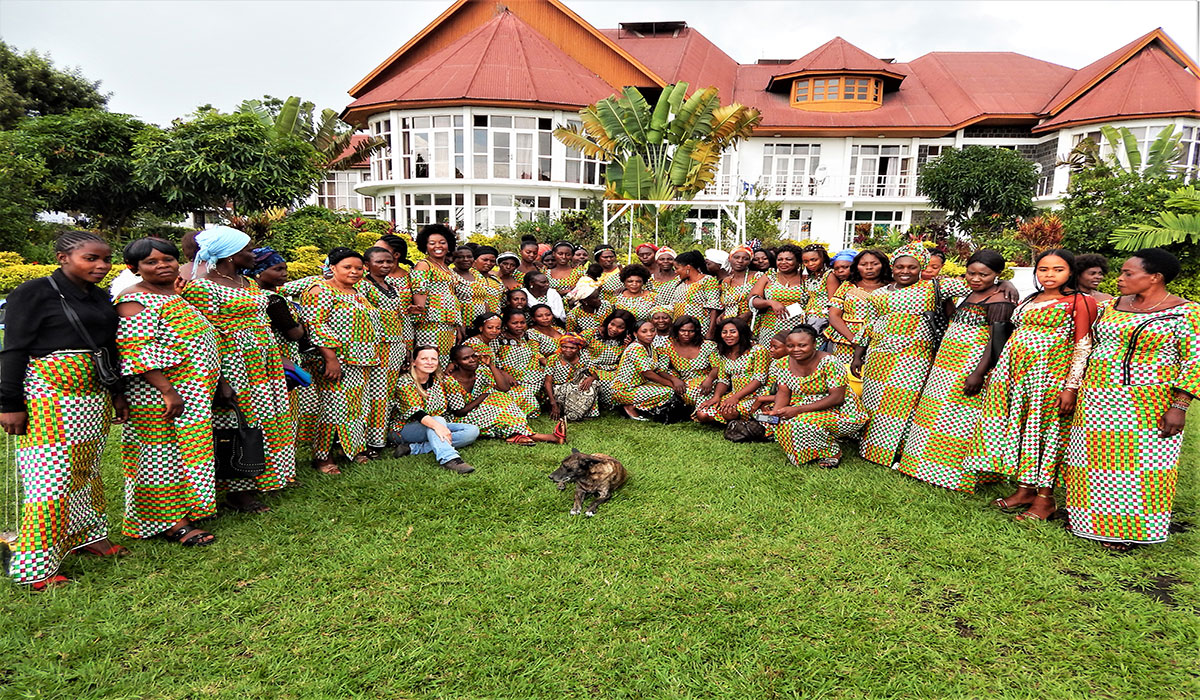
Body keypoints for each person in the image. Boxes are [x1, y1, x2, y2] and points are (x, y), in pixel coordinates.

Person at [2, 232, 129, 590]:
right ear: (62, 257)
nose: (101, 266)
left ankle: (87, 536)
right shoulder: (33, 293)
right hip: (48, 398)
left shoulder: (99, 295)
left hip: (92, 396)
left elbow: (108, 347)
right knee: (51, 480)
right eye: (91, 258)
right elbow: (13, 350)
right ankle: (34, 566)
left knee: (86, 471)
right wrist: (8, 403)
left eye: (105, 259)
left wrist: (116, 393)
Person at [1064, 249, 1197, 550]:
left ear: (1155, 278)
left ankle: (1131, 531)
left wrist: (1179, 407)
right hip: (1096, 397)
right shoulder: (1111, 305)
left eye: (1128, 273)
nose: (1120, 278)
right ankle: (1088, 520)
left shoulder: (1185, 312)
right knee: (1092, 461)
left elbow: (1194, 362)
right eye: (1121, 272)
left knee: (1140, 467)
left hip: (1146, 403)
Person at [968, 248, 1098, 522]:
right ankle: (1025, 489)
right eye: (1043, 269)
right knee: (1022, 431)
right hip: (1016, 377)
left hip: (1049, 379)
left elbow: (1083, 345)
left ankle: (1045, 498)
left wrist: (1071, 387)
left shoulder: (1080, 301)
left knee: (1046, 435)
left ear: (1071, 272)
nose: (1049, 275)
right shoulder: (1030, 298)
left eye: (1058, 269)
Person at [114, 237, 221, 546]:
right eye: (151, 262)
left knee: (183, 455)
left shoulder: (171, 294)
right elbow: (136, 351)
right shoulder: (133, 301)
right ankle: (170, 522)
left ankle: (184, 509)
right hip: (160, 396)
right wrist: (168, 391)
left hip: (192, 391)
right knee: (158, 456)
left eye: (168, 259)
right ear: (134, 268)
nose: (162, 265)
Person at [181, 226, 295, 513]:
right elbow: (204, 334)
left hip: (263, 361)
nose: (253, 255)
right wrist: (219, 379)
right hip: (232, 362)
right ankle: (237, 490)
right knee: (237, 423)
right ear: (230, 255)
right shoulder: (201, 287)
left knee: (265, 419)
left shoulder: (248, 283)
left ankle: (262, 476)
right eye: (247, 250)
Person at [894, 250, 1015, 491]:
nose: (976, 278)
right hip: (947, 364)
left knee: (957, 420)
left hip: (969, 366)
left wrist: (979, 373)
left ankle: (953, 474)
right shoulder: (971, 294)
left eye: (984, 274)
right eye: (971, 273)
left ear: (997, 275)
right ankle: (923, 466)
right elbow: (953, 319)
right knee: (933, 415)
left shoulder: (1000, 300)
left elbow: (996, 342)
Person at [850, 243, 973, 467]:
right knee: (875, 403)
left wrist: (1003, 283)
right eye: (899, 267)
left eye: (912, 267)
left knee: (903, 404)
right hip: (878, 357)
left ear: (921, 268)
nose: (905, 271)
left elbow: (974, 282)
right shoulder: (877, 294)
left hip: (914, 357)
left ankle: (899, 451)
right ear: (892, 268)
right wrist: (859, 356)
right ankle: (872, 448)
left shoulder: (934, 287)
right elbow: (867, 325)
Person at [301, 248, 381, 473]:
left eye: (358, 267)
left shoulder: (357, 292)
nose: (354, 272)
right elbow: (315, 325)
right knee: (332, 408)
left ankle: (352, 449)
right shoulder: (320, 290)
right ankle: (322, 456)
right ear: (332, 267)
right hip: (335, 360)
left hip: (362, 360)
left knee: (356, 407)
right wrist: (331, 359)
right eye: (347, 267)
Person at [761, 326, 866, 468]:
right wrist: (777, 412)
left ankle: (832, 452)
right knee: (783, 423)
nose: (796, 349)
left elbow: (837, 398)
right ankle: (809, 453)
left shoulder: (830, 362)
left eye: (802, 345)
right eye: (790, 346)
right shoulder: (782, 363)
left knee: (803, 422)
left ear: (814, 344)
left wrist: (798, 410)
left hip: (842, 411)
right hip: (805, 407)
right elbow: (783, 392)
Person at [248, 247, 318, 447]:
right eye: (277, 269)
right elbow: (293, 333)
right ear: (259, 272)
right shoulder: (273, 300)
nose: (284, 273)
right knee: (284, 412)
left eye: (285, 268)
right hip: (282, 359)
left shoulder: (254, 295)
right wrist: (305, 325)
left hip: (266, 358)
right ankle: (284, 464)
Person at [444, 344, 565, 446]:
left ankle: (515, 435)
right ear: (455, 362)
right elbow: (459, 412)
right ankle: (542, 436)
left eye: (474, 356)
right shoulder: (451, 381)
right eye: (466, 358)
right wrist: (484, 396)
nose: (472, 360)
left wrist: (490, 365)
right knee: (499, 404)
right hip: (462, 418)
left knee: (509, 396)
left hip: (479, 407)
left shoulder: (480, 370)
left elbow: (504, 388)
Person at [391, 346, 479, 473]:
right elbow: (416, 412)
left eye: (434, 359)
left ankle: (413, 448)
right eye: (424, 358)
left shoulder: (439, 380)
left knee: (471, 431)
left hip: (433, 425)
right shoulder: (405, 381)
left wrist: (452, 379)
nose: (430, 362)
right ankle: (449, 459)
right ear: (414, 362)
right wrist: (439, 427)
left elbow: (456, 405)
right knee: (437, 420)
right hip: (403, 428)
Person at [359, 246, 411, 452]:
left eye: (388, 261)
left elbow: (398, 317)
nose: (385, 265)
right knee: (375, 394)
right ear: (367, 265)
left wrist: (406, 348)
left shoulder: (391, 287)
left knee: (386, 394)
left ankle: (380, 437)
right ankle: (370, 442)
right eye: (379, 262)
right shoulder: (363, 286)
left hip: (395, 347)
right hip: (378, 346)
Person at [695, 318, 769, 424]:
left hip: (756, 394)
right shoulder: (724, 353)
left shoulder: (758, 350)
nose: (728, 335)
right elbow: (723, 380)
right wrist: (716, 397)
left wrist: (735, 398)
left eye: (733, 332)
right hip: (734, 394)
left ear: (742, 333)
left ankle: (749, 419)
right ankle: (739, 419)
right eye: (724, 332)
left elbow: (759, 380)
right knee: (702, 414)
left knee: (728, 412)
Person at [408, 224, 464, 364]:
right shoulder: (424, 265)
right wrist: (419, 310)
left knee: (444, 361)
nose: (437, 246)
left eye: (442, 242)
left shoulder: (446, 268)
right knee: (431, 360)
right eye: (432, 243)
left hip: (448, 322)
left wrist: (456, 323)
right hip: (431, 323)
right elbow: (419, 290)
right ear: (425, 246)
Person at [826, 250, 889, 364]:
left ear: (883, 265)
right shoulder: (848, 286)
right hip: (847, 343)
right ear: (856, 267)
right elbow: (834, 315)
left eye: (874, 264)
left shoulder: (892, 287)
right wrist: (854, 340)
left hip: (882, 343)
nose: (869, 268)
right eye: (863, 265)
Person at [492, 307, 556, 418]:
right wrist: (505, 375)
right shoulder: (498, 339)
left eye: (522, 322)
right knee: (528, 401)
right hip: (511, 377)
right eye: (514, 323)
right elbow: (494, 363)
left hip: (531, 372)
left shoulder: (525, 336)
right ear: (506, 324)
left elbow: (534, 353)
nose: (519, 326)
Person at [611, 318, 679, 420]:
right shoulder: (636, 348)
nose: (650, 334)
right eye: (644, 331)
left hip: (640, 385)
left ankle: (642, 407)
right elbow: (647, 373)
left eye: (652, 330)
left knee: (671, 382)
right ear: (635, 334)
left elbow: (658, 369)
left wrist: (673, 380)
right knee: (668, 391)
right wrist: (671, 384)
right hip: (625, 390)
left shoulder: (650, 347)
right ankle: (630, 407)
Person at [750, 244, 808, 344]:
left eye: (788, 259)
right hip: (770, 328)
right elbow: (753, 299)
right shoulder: (770, 276)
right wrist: (770, 303)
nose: (783, 262)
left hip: (798, 329)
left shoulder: (806, 279)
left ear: (798, 261)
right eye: (779, 259)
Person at [657, 315, 718, 407]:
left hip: (706, 379)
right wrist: (674, 380)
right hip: (683, 381)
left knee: (695, 392)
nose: (686, 334)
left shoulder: (708, 345)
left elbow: (716, 367)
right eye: (682, 331)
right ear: (677, 331)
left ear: (696, 332)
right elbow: (661, 370)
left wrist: (709, 379)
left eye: (691, 331)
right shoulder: (668, 346)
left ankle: (699, 409)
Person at [582, 309, 635, 408]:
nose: (614, 329)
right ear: (607, 322)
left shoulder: (627, 341)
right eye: (612, 324)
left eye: (620, 327)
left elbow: (625, 363)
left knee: (618, 384)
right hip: (589, 368)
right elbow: (577, 349)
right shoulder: (591, 334)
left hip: (612, 371)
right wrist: (593, 374)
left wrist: (628, 348)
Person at [547, 333, 599, 420]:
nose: (568, 350)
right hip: (560, 390)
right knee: (570, 389)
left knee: (593, 384)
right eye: (564, 347)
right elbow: (548, 382)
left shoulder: (584, 357)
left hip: (576, 387)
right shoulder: (553, 359)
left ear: (578, 349)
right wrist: (553, 403)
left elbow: (595, 375)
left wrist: (591, 378)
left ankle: (583, 413)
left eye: (572, 348)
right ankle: (569, 412)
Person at [672, 250, 722, 338]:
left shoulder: (707, 280)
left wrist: (710, 332)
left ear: (688, 267)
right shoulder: (680, 283)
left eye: (677, 268)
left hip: (699, 328)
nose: (675, 271)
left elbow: (714, 308)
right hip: (680, 329)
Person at [800, 244, 838, 334]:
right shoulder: (811, 276)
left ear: (823, 258)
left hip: (822, 320)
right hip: (809, 318)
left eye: (814, 260)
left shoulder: (829, 275)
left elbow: (833, 303)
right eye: (806, 261)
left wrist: (830, 327)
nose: (810, 264)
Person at [718, 245, 761, 325]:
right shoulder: (726, 281)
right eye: (736, 257)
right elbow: (728, 303)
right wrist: (722, 314)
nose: (740, 261)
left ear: (750, 261)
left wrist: (749, 314)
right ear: (730, 259)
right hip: (729, 323)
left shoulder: (757, 277)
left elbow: (763, 300)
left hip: (751, 322)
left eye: (745, 259)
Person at [451, 245, 489, 325]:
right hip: (461, 325)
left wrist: (487, 320)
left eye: (469, 257)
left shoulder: (478, 276)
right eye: (460, 257)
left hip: (480, 324)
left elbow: (485, 300)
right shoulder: (450, 275)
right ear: (453, 259)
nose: (465, 259)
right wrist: (457, 324)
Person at [471, 244, 504, 315]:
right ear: (475, 260)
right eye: (485, 260)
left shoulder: (496, 280)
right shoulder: (468, 277)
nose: (488, 263)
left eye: (492, 261)